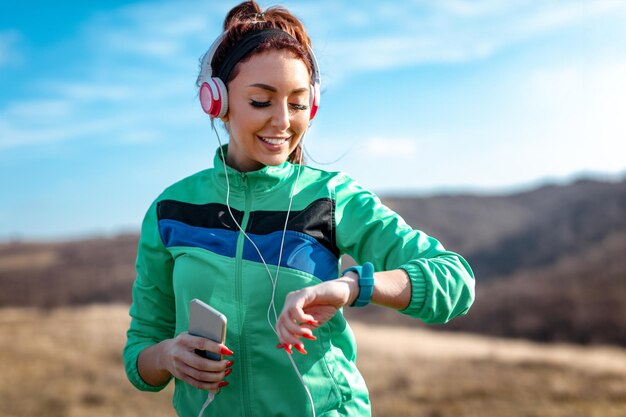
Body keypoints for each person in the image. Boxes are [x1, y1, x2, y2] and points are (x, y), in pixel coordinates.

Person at [123, 1, 475, 416]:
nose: (283, 121)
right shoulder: (171, 210)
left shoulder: (332, 197)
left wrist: (351, 286)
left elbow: (455, 281)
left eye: (297, 103)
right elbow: (140, 356)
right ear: (217, 101)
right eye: (260, 101)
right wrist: (166, 356)